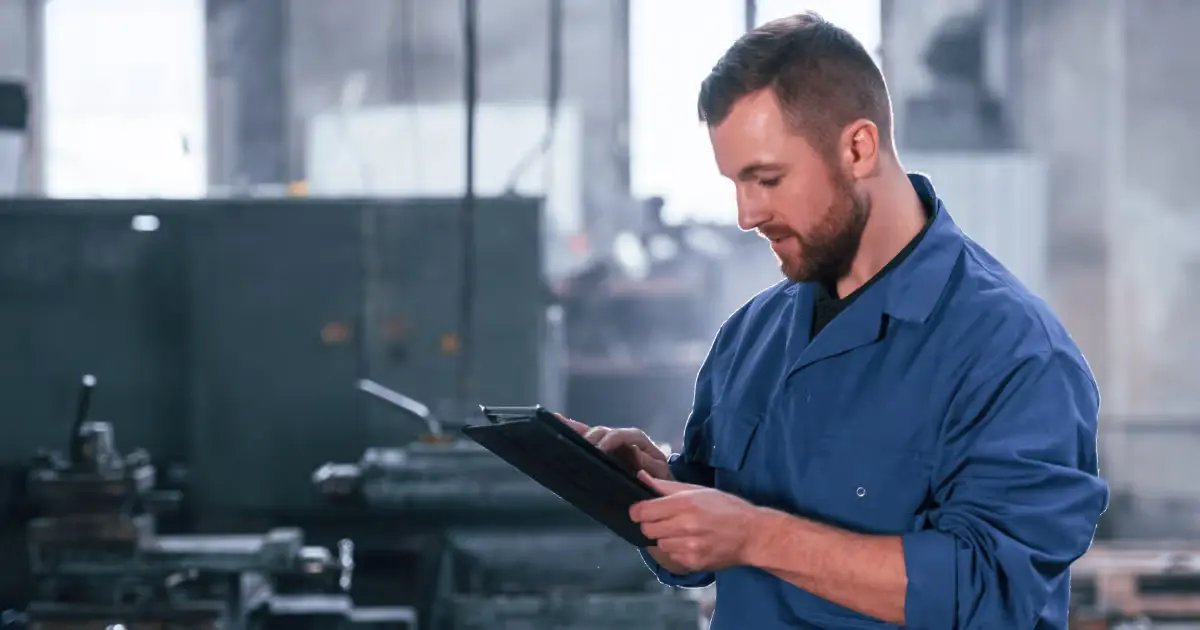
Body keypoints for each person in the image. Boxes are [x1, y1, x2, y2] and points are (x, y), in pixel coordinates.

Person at [558, 11, 1109, 629]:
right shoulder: (751, 338)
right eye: (736, 183)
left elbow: (992, 594)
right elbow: (707, 549)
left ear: (858, 147)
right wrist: (656, 493)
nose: (746, 213)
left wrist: (755, 536)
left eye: (767, 179)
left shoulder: (1013, 353)